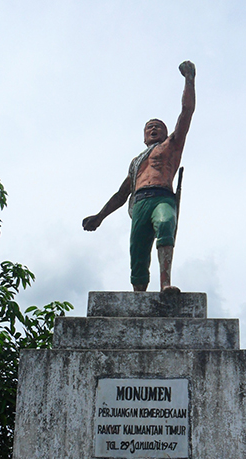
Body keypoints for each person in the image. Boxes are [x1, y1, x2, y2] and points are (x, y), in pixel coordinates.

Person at [82, 61, 196, 292]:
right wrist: (100, 216)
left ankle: (166, 284)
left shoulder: (171, 146)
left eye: (158, 127)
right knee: (137, 254)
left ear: (165, 132)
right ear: (144, 136)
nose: (153, 130)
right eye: (149, 128)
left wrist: (189, 80)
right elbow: (121, 194)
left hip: (162, 197)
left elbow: (187, 112)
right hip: (140, 203)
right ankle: (139, 296)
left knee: (165, 224)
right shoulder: (135, 163)